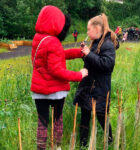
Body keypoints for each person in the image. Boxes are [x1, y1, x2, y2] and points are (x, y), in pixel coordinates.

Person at [30, 5, 88, 150]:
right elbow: (57, 70)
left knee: (42, 122)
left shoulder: (39, 38)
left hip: (39, 90)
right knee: (57, 120)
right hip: (55, 91)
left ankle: (41, 148)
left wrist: (78, 52)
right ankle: (57, 147)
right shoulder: (53, 41)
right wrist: (79, 75)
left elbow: (58, 55)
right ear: (55, 23)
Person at [73, 13, 119, 149]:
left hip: (99, 89)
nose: (87, 32)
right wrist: (85, 54)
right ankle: (82, 144)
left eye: (89, 29)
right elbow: (93, 62)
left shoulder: (108, 44)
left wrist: (89, 54)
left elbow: (106, 65)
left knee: (102, 117)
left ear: (97, 28)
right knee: (85, 115)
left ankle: (110, 142)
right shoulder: (96, 43)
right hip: (88, 86)